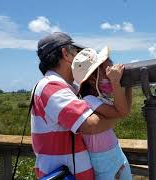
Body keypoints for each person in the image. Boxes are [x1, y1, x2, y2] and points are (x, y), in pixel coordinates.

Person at [32, 32, 123, 179]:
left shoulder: (66, 88)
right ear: (65, 54)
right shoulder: (51, 87)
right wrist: (120, 113)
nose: (79, 59)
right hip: (65, 176)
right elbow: (91, 125)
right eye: (76, 53)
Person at [71, 47, 132, 179]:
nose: (110, 76)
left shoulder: (100, 98)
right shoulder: (89, 100)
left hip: (116, 153)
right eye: (107, 72)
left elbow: (124, 110)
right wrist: (115, 82)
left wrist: (128, 84)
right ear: (93, 79)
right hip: (103, 161)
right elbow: (122, 112)